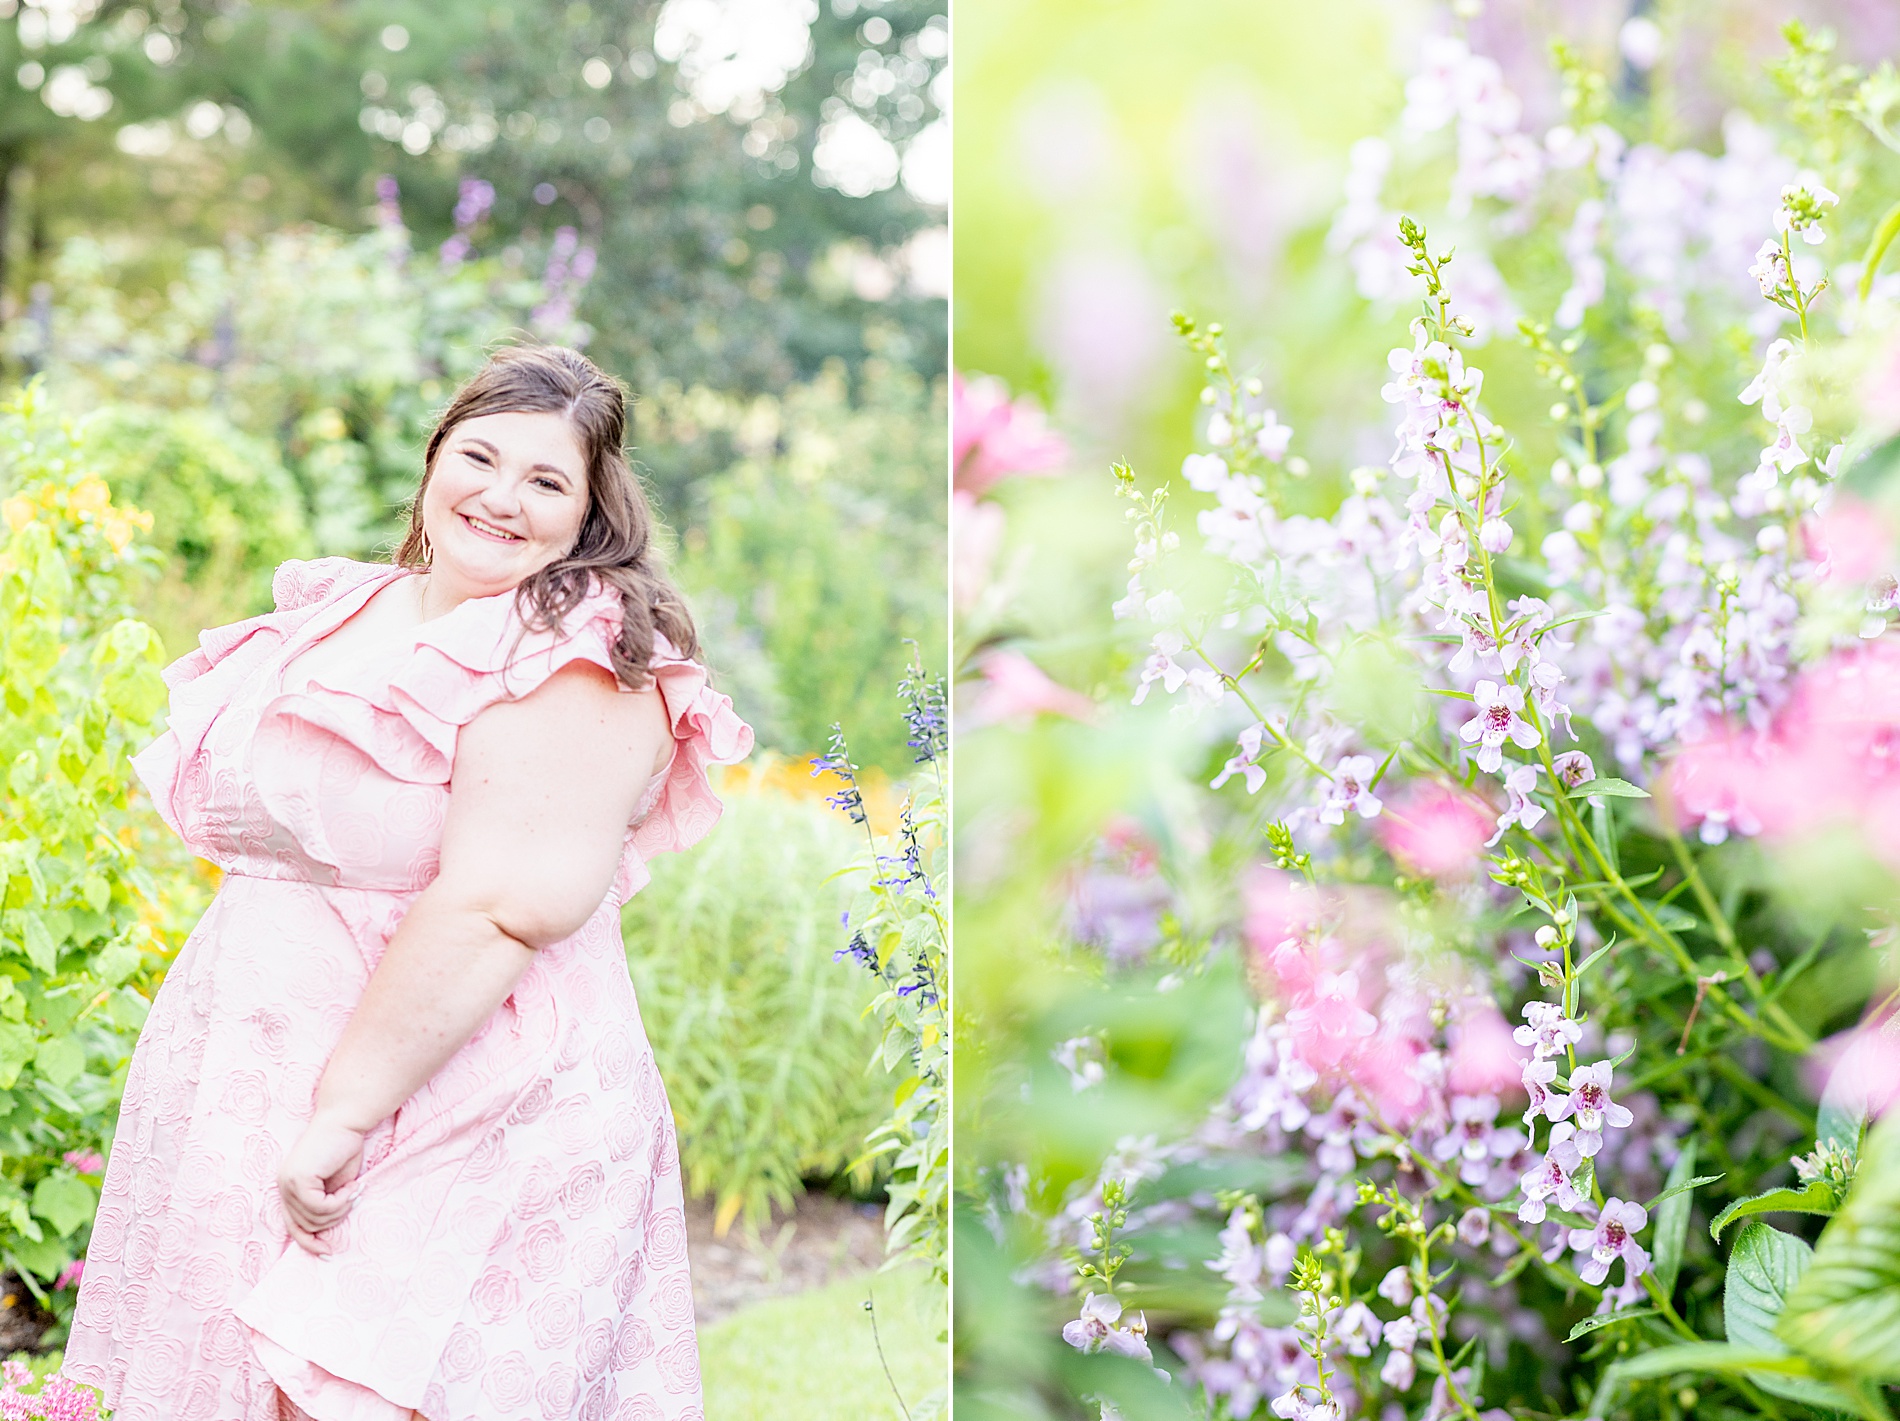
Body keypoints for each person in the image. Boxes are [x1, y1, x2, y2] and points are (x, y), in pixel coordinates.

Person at [64, 344, 753, 1421]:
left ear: (590, 513)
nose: (501, 496)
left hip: (459, 1101)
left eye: (546, 480)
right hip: (258, 1074)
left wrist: (341, 1113)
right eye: (479, 456)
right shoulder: (347, 607)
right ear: (434, 458)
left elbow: (501, 903)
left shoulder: (584, 648)